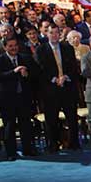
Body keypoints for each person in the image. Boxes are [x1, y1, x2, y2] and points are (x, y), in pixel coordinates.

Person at [0, 36, 37, 160]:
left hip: (23, 97)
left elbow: (36, 73)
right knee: (9, 126)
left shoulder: (25, 58)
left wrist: (28, 74)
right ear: (5, 47)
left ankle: (28, 149)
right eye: (10, 46)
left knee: (26, 124)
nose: (13, 48)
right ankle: (11, 152)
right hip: (7, 99)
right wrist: (15, 71)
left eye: (15, 45)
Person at [36, 24, 81, 152]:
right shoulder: (41, 50)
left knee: (72, 117)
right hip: (50, 89)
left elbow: (73, 67)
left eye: (57, 33)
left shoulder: (68, 48)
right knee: (51, 119)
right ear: (47, 34)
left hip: (67, 87)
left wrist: (65, 77)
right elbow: (40, 69)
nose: (54, 35)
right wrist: (55, 79)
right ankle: (53, 144)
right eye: (51, 33)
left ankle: (74, 143)